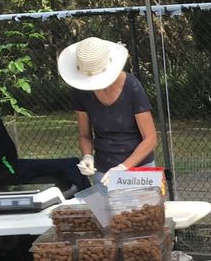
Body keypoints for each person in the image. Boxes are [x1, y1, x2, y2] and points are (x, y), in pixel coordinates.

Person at [57, 37, 157, 180]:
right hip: (104, 170)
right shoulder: (80, 91)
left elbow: (151, 138)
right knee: (103, 203)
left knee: (145, 204)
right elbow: (84, 135)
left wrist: (123, 167)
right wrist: (87, 156)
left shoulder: (132, 86)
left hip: (139, 169)